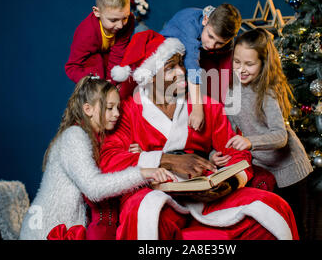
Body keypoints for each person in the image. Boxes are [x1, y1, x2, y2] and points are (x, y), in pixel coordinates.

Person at [104, 29, 299, 240]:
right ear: (149, 77)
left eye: (181, 63)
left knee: (272, 209)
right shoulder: (126, 112)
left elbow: (236, 153)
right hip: (157, 194)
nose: (181, 72)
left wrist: (230, 183)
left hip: (207, 197)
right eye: (171, 68)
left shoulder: (207, 107)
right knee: (143, 212)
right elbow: (109, 158)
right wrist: (166, 161)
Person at [19, 76, 176, 240]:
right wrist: (142, 172)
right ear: (88, 109)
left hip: (67, 229)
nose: (116, 114)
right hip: (44, 231)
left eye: (118, 108)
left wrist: (136, 155)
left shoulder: (96, 138)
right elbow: (94, 187)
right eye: (109, 108)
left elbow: (110, 172)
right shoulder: (74, 136)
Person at [223, 28, 313, 238]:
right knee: (269, 228)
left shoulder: (268, 91)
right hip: (262, 171)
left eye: (249, 64)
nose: (241, 69)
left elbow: (281, 137)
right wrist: (216, 153)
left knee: (296, 229)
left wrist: (249, 141)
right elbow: (227, 133)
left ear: (263, 63)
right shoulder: (231, 90)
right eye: (237, 62)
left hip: (291, 172)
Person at [158, 4, 242, 131]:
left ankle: (224, 121)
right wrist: (197, 109)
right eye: (210, 36)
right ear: (205, 20)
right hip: (170, 48)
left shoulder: (225, 41)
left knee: (220, 82)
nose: (212, 45)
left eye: (219, 42)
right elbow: (192, 68)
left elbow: (225, 67)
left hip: (202, 54)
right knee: (186, 85)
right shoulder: (190, 26)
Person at [65, 0, 135, 85]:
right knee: (96, 60)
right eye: (113, 20)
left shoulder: (128, 22)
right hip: (91, 70)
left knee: (131, 59)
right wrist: (97, 84)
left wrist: (111, 83)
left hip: (111, 61)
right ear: (97, 12)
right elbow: (72, 67)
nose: (120, 25)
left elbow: (118, 54)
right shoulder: (86, 32)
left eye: (125, 18)